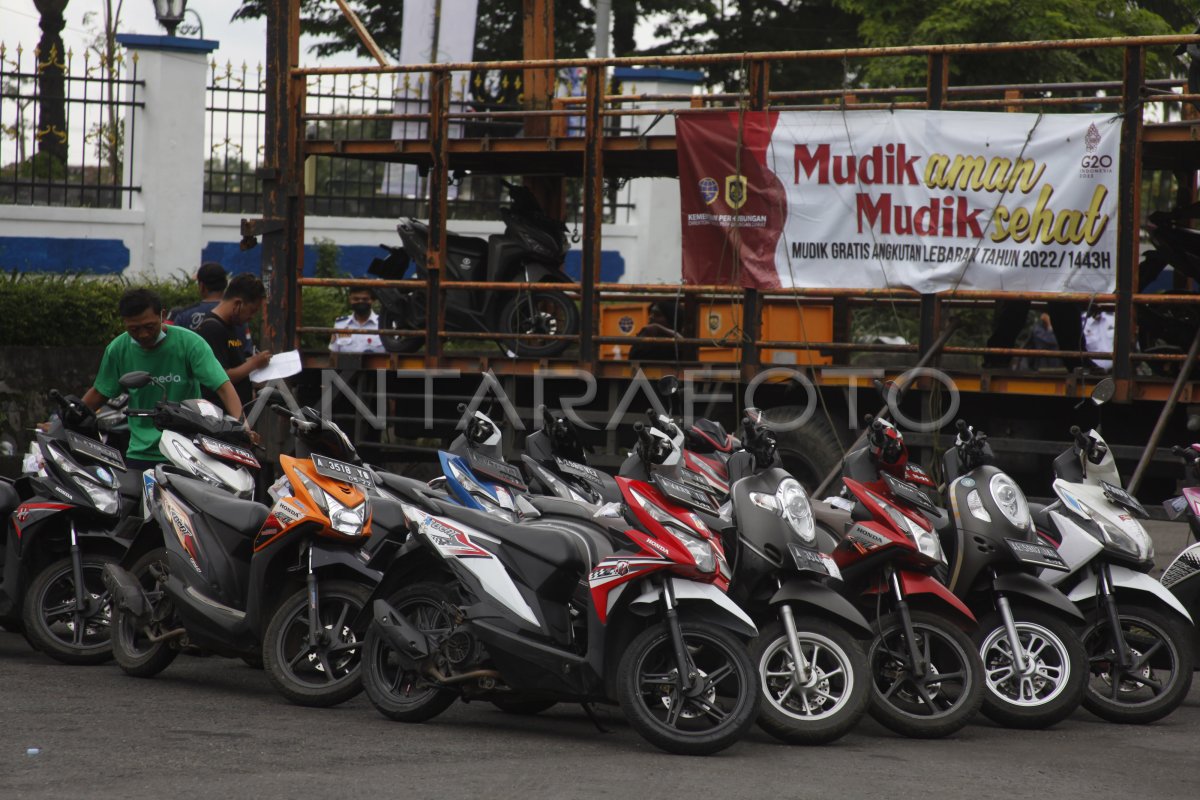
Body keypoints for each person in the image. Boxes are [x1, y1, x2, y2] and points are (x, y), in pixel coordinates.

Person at [81, 288, 249, 473]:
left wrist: (242, 427)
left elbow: (223, 386)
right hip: (141, 453)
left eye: (149, 326)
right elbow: (99, 392)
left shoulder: (190, 343)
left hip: (187, 451)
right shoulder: (117, 349)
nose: (143, 334)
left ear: (162, 315)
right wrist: (64, 419)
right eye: (134, 329)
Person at [195, 274, 272, 405]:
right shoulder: (212, 328)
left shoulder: (231, 325)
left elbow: (233, 362)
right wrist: (254, 363)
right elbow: (222, 376)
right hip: (220, 415)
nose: (252, 317)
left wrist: (250, 361)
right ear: (238, 304)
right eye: (252, 311)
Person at [170, 262, 254, 356]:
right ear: (226, 285)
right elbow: (247, 352)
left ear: (202, 286)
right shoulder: (237, 315)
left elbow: (173, 350)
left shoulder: (184, 315)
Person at [330, 287, 385, 354]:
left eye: (365, 299)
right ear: (350, 300)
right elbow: (333, 354)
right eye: (356, 299)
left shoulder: (384, 324)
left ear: (372, 300)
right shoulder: (340, 324)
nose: (360, 302)